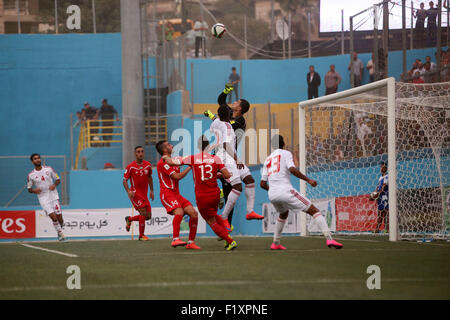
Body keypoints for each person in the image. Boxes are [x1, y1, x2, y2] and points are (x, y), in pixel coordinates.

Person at [260, 135, 343, 250]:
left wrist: (275, 190)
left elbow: (262, 184)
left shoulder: (267, 159)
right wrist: (308, 180)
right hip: (285, 191)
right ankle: (329, 239)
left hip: (272, 195)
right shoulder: (286, 153)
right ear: (283, 143)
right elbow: (292, 169)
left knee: (283, 213)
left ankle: (276, 242)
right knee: (314, 210)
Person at [162, 136, 238, 251]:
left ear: (198, 147)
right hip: (215, 194)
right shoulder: (216, 158)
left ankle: (230, 241)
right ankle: (227, 235)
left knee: (210, 221)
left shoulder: (193, 159)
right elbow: (226, 175)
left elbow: (172, 163)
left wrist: (165, 158)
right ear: (208, 146)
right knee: (214, 215)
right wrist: (222, 175)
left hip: (202, 196)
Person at [204, 84, 262, 228]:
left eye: (236, 102)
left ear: (240, 108)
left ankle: (247, 212)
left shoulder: (239, 121)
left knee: (249, 180)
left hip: (231, 155)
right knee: (235, 187)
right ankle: (224, 219)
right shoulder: (227, 120)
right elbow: (221, 102)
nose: (233, 102)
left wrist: (213, 117)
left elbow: (224, 122)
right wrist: (225, 92)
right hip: (226, 157)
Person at [155, 140, 201, 249]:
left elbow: (187, 159)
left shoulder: (174, 160)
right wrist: (190, 167)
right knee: (179, 211)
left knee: (193, 213)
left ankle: (191, 242)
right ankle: (175, 239)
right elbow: (177, 176)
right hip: (167, 194)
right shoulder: (162, 163)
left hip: (176, 194)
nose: (171, 145)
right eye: (168, 144)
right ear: (165, 149)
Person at [27, 153, 66, 241]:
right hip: (43, 198)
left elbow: (58, 179)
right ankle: (61, 234)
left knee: (60, 218)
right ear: (32, 161)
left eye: (38, 158)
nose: (37, 160)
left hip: (53, 196)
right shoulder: (31, 175)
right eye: (35, 159)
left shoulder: (49, 169)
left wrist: (54, 185)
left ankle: (60, 229)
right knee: (53, 217)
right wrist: (34, 190)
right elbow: (29, 189)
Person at [123, 146, 154, 241]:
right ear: (135, 154)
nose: (140, 153)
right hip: (135, 194)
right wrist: (128, 191)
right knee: (143, 213)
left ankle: (130, 219)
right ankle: (141, 235)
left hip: (144, 194)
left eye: (142, 151)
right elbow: (124, 180)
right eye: (138, 152)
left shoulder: (148, 165)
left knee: (148, 216)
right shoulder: (130, 167)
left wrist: (152, 190)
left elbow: (149, 177)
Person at [369, 162, 389, 233]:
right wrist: (374, 194)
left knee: (385, 213)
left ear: (386, 168)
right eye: (381, 167)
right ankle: (377, 229)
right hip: (380, 197)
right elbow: (378, 187)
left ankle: (387, 229)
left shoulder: (387, 176)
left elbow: (383, 187)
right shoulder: (380, 177)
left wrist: (377, 193)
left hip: (385, 196)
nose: (382, 168)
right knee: (379, 213)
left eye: (383, 167)